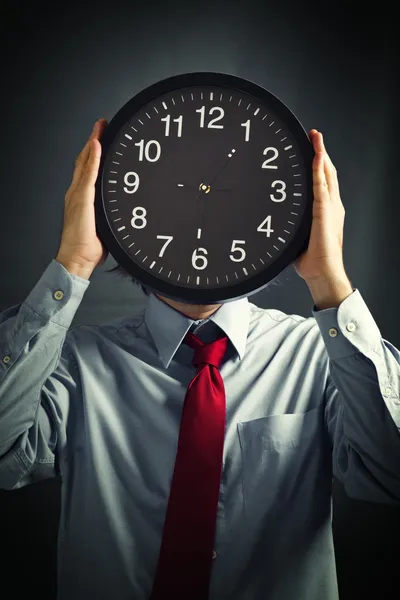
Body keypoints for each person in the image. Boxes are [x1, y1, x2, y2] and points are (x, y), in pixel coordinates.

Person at [0, 119, 399, 600]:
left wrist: (330, 282)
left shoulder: (320, 355)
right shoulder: (77, 365)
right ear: (120, 220)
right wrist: (72, 264)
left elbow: (389, 471)